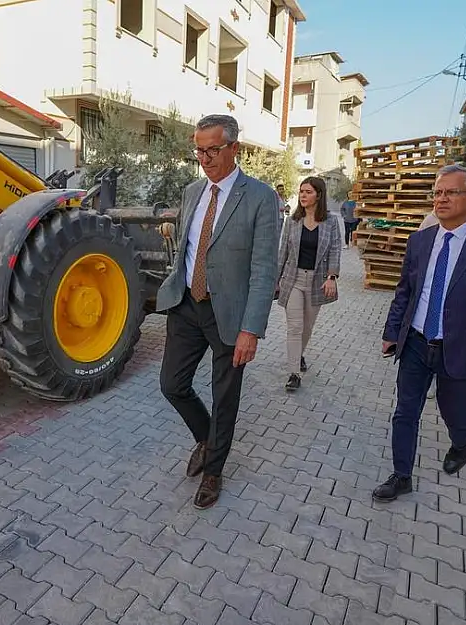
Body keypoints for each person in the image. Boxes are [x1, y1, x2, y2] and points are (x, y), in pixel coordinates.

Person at [374, 164, 466, 502]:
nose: (441, 199)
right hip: (415, 342)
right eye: (437, 192)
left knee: (453, 411)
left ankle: (462, 439)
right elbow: (405, 291)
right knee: (405, 411)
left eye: (450, 192)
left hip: (461, 348)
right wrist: (392, 330)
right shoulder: (421, 240)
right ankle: (401, 475)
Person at [157, 114, 280, 510]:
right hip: (188, 306)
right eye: (199, 150)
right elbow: (189, 248)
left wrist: (252, 329)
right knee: (172, 385)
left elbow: (264, 268)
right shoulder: (193, 191)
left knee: (225, 396)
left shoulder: (260, 197)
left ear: (234, 149)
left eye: (212, 150)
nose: (205, 158)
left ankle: (214, 470)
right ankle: (207, 438)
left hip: (230, 314)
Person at [276, 176, 342, 392]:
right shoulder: (292, 221)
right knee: (295, 327)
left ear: (319, 195)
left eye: (308, 192)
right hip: (293, 279)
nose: (303, 195)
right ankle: (293, 372)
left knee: (307, 327)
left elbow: (335, 249)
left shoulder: (331, 222)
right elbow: (283, 252)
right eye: (301, 191)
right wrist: (274, 281)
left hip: (317, 281)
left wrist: (332, 277)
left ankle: (299, 354)